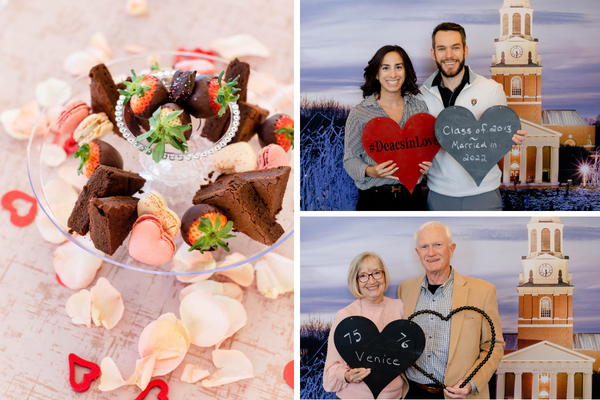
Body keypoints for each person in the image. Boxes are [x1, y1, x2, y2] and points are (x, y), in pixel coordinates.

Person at [419, 22, 527, 211]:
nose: (449, 55)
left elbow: (499, 136)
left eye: (455, 47)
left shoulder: (492, 90)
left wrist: (509, 138)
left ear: (465, 50)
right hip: (439, 195)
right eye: (442, 48)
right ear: (433, 53)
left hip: (484, 193)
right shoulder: (421, 96)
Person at [397, 221, 504, 399]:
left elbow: (494, 346)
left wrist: (472, 382)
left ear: (451, 249)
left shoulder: (483, 291)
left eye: (438, 245)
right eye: (424, 246)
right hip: (413, 392)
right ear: (418, 253)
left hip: (460, 396)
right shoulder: (405, 288)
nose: (431, 253)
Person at [343, 45, 432, 211]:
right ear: (376, 73)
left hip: (413, 198)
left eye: (398, 67)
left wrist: (426, 163)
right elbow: (350, 159)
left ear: (406, 72)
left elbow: (424, 149)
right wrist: (371, 171)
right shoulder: (360, 113)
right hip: (373, 199)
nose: (393, 74)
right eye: (386, 68)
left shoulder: (419, 109)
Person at [323, 252, 407, 399]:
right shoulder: (346, 316)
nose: (371, 280)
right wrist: (348, 375)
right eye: (363, 275)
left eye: (376, 273)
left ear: (384, 275)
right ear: (355, 280)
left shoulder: (400, 307)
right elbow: (331, 371)